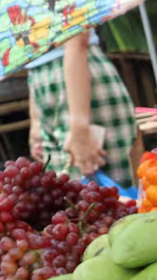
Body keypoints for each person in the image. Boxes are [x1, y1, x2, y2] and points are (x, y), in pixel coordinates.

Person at [27, 30, 139, 187]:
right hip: (43, 80)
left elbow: (77, 38)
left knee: (113, 198)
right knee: (69, 196)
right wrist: (36, 121)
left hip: (77, 74)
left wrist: (80, 125)